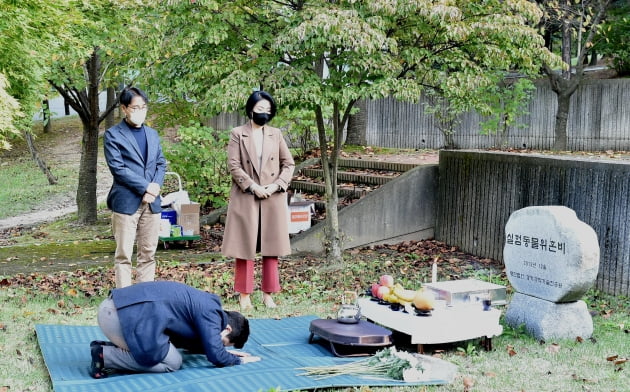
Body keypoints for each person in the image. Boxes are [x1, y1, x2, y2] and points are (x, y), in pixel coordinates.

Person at [89, 281, 260, 378]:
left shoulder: (207, 305)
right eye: (222, 341)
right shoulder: (212, 314)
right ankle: (106, 356)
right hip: (119, 318)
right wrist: (236, 360)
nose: (218, 342)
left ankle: (110, 350)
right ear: (227, 328)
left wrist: (224, 351)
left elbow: (199, 344)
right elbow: (214, 354)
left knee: (168, 351)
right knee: (173, 362)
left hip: (114, 309)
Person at [221, 90, 295, 310]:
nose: (264, 113)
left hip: (272, 195)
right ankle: (244, 294)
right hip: (247, 196)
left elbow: (288, 164)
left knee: (271, 247)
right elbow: (233, 165)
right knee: (245, 247)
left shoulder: (276, 134)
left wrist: (276, 185)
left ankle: (268, 294)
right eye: (260, 109)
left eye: (268, 110)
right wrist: (253, 186)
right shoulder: (237, 133)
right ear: (250, 109)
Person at [104, 87, 167, 288]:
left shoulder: (152, 134)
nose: (140, 110)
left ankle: (144, 296)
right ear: (124, 108)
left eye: (143, 107)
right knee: (124, 254)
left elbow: (160, 163)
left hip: (152, 204)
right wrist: (147, 188)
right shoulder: (113, 135)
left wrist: (155, 187)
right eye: (135, 107)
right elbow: (118, 169)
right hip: (126, 201)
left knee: (148, 254)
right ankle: (124, 298)